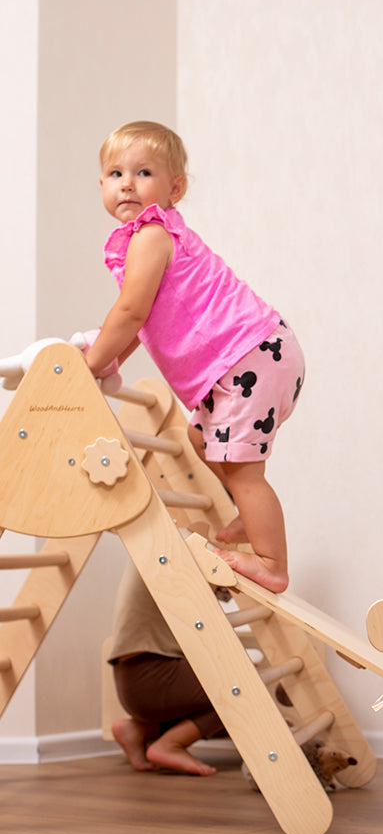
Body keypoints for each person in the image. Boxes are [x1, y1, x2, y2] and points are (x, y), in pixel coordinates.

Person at [85, 120, 304, 593]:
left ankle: (271, 561)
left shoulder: (152, 236)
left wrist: (87, 365)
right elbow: (141, 324)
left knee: (244, 471)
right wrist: (111, 359)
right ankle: (250, 514)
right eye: (115, 173)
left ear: (174, 188)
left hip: (250, 356)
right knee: (201, 438)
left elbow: (128, 312)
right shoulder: (150, 240)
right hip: (253, 356)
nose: (127, 183)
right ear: (101, 184)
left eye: (143, 172)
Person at [107, 563, 224, 776]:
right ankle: (170, 744)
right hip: (154, 676)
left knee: (227, 681)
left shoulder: (146, 555)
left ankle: (138, 730)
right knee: (241, 686)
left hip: (131, 678)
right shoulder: (170, 553)